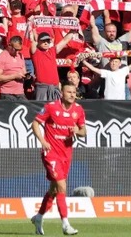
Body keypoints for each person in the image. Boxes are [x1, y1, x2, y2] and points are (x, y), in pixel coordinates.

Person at [31, 82, 85, 236]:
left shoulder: (78, 110)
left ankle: (39, 217)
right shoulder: (51, 107)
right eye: (69, 92)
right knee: (62, 187)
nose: (72, 94)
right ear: (62, 93)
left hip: (66, 154)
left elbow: (84, 131)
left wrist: (77, 130)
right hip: (51, 153)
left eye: (74, 92)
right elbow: (35, 123)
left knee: (54, 189)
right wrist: (42, 141)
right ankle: (66, 224)